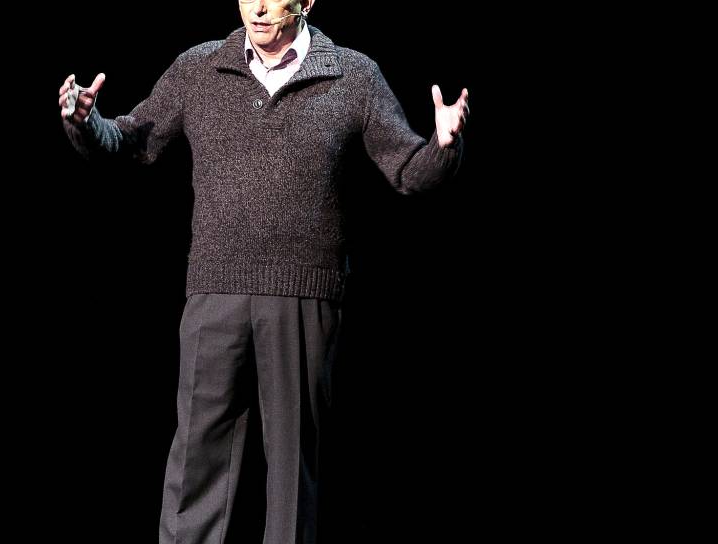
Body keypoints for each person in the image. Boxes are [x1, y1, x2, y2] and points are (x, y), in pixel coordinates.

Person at [58, 1, 469, 542]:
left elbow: (408, 170)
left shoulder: (352, 75)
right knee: (195, 458)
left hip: (302, 292)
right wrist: (86, 124)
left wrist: (443, 145)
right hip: (215, 289)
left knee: (293, 464)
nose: (258, 8)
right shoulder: (202, 66)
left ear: (305, 4)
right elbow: (132, 140)